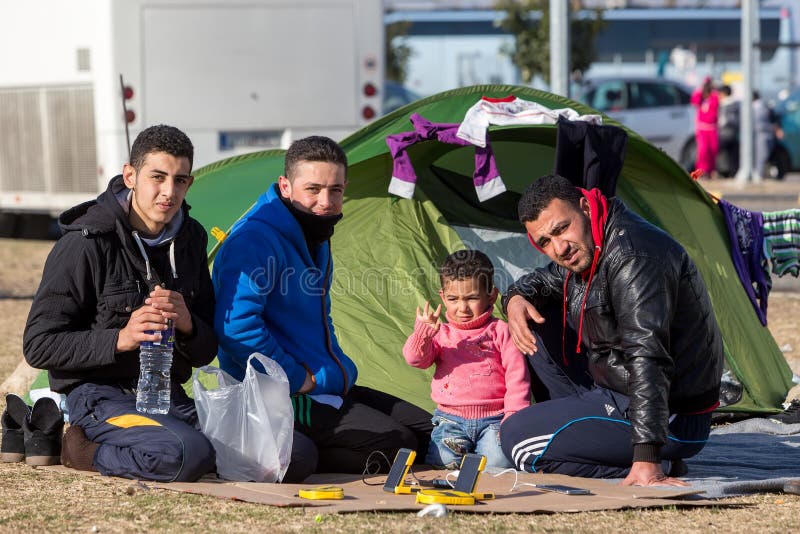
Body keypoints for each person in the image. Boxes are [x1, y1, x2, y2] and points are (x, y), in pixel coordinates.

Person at [212, 135, 432, 474]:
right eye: (313, 189)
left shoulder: (315, 234)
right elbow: (236, 327)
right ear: (286, 186)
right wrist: (295, 377)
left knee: (428, 431)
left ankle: (306, 445)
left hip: (324, 384)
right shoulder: (254, 240)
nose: (326, 201)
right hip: (278, 393)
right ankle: (288, 452)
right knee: (396, 444)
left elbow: (319, 316)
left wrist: (336, 369)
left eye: (336, 190)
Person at [500, 174, 723, 486]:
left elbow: (648, 355)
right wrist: (513, 301)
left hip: (672, 416)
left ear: (585, 209)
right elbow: (543, 281)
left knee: (518, 442)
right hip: (618, 388)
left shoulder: (633, 256)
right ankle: (582, 425)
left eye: (562, 229)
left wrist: (647, 457)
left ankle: (659, 464)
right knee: (532, 316)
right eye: (544, 242)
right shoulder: (588, 246)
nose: (559, 248)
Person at [23, 125, 216, 482]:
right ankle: (83, 450)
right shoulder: (85, 241)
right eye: (157, 177)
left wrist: (189, 324)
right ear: (130, 175)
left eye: (181, 180)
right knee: (187, 453)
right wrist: (120, 339)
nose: (169, 192)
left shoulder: (192, 238)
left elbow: (205, 351)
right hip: (99, 397)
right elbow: (38, 345)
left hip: (165, 392)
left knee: (281, 452)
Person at [402, 250, 530, 469]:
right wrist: (422, 334)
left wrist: (514, 416)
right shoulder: (441, 333)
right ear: (443, 297)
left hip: (495, 421)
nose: (462, 308)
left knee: (498, 465)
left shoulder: (500, 330)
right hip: (450, 420)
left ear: (491, 296)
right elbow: (416, 360)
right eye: (453, 299)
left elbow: (517, 375)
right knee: (443, 464)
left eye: (472, 298)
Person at [690, 76, 720, 179]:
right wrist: (700, 90)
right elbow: (694, 101)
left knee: (713, 150)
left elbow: (716, 104)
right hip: (702, 129)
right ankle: (701, 172)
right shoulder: (700, 97)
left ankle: (711, 171)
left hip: (712, 128)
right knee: (703, 151)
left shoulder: (714, 97)